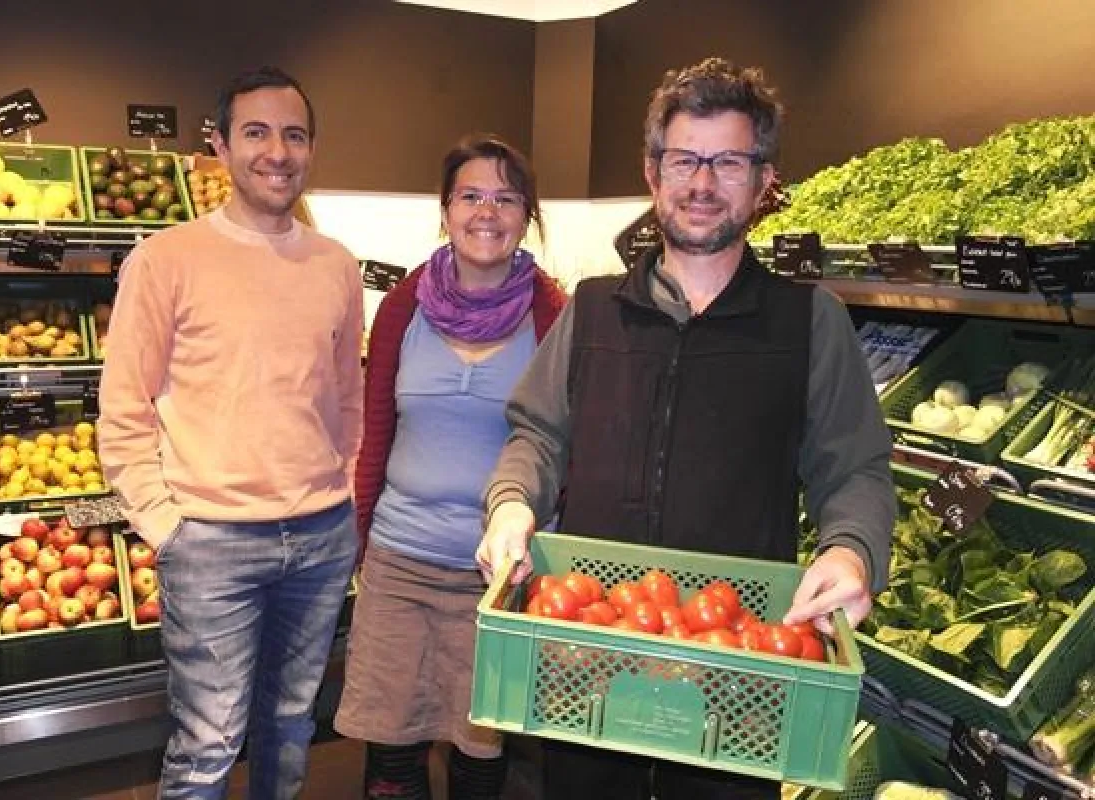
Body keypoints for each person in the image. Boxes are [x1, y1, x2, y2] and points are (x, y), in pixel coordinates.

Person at [476, 58, 896, 800]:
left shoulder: (809, 323)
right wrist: (512, 504)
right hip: (593, 655)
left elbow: (855, 469)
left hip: (739, 667)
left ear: (764, 180)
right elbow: (537, 434)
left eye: (729, 161)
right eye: (685, 160)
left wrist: (852, 551)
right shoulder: (595, 309)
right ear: (653, 171)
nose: (703, 184)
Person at [97, 66, 363, 800]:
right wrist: (165, 524)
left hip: (319, 536)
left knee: (291, 724)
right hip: (211, 542)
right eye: (256, 132)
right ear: (218, 145)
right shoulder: (164, 259)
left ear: (311, 148)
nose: (277, 151)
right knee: (207, 743)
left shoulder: (336, 265)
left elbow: (348, 396)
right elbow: (122, 410)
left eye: (294, 134)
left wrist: (340, 489)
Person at [334, 135, 567, 800]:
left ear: (527, 216)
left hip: (500, 574)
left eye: (505, 197)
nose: (485, 211)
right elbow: (377, 428)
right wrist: (360, 533)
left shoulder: (553, 315)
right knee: (391, 748)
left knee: (480, 750)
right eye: (470, 195)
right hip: (400, 560)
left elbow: (562, 443)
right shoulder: (405, 305)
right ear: (445, 210)